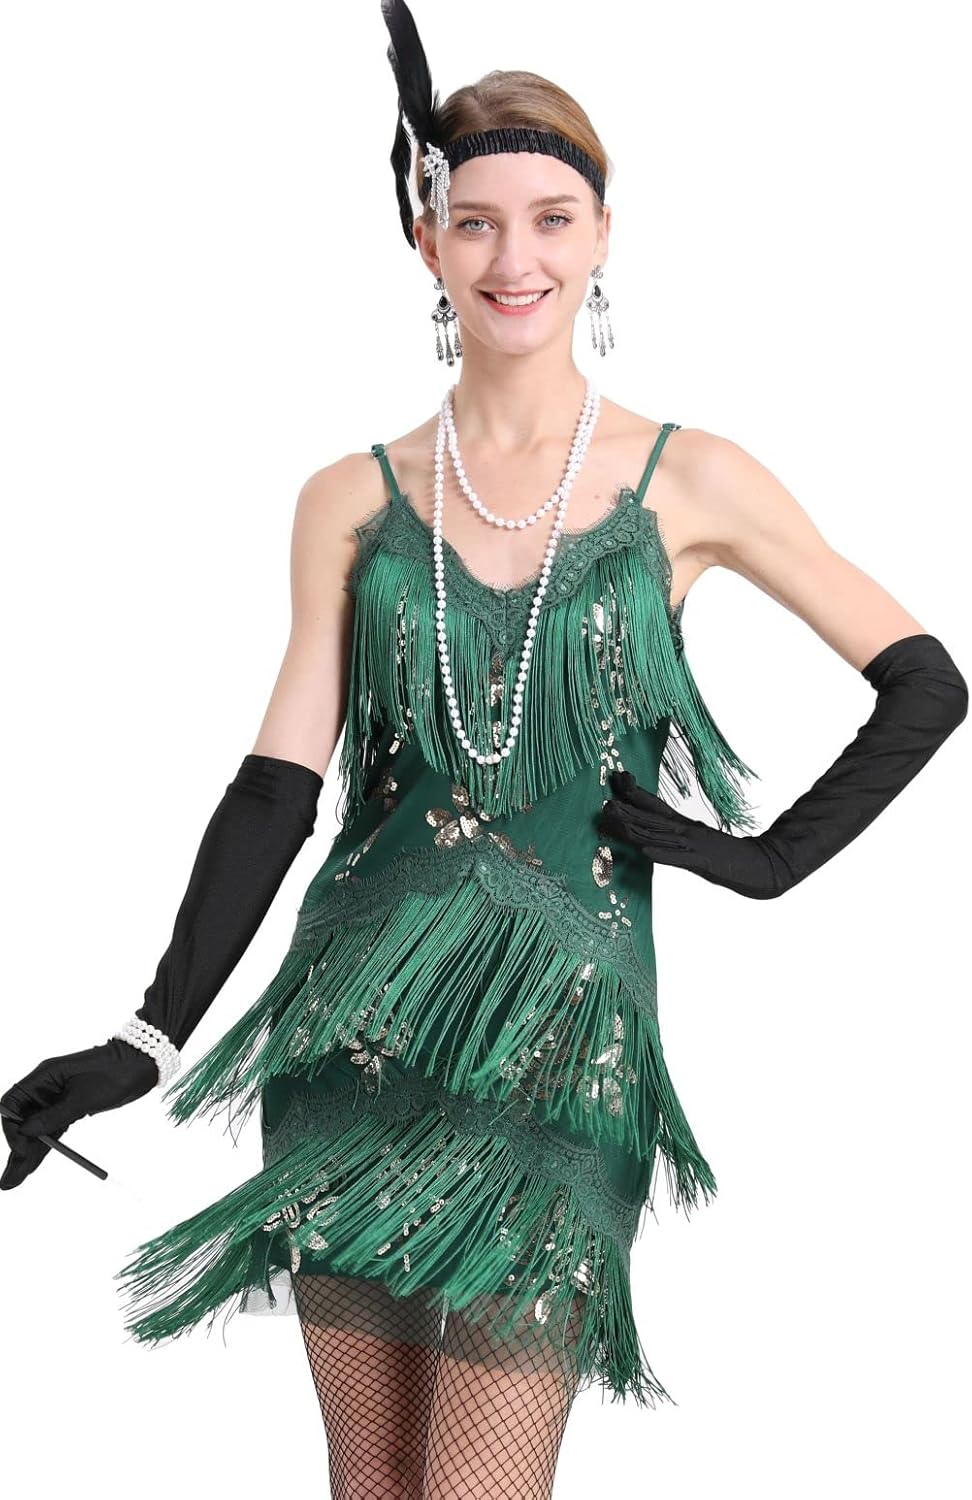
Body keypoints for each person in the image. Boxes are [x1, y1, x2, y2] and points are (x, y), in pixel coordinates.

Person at [2, 2, 967, 1495]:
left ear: (603, 236)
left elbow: (923, 683)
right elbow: (276, 789)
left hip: (562, 1041)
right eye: (474, 222)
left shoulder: (691, 478)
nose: (515, 258)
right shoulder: (349, 497)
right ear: (426, 243)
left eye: (551, 219)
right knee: (374, 1484)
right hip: (352, 1025)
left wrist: (764, 861)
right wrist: (146, 1036)